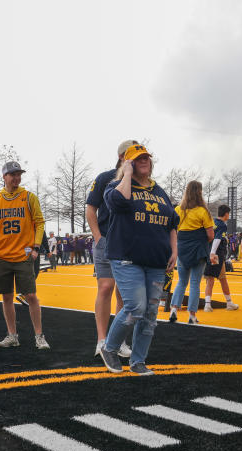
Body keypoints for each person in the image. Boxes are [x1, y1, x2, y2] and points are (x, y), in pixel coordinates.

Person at [98, 143, 177, 375]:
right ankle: (110, 348)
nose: (144, 160)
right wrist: (128, 174)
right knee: (135, 306)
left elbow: (172, 222)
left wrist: (174, 250)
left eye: (146, 158)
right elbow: (119, 202)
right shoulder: (115, 186)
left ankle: (138, 360)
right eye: (138, 158)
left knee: (151, 313)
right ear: (128, 162)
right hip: (126, 257)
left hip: (156, 260)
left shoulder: (159, 190)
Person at [0, 160, 51, 350]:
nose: (16, 177)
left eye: (19, 174)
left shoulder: (29, 197)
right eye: (12, 174)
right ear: (4, 177)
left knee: (31, 295)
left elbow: (39, 222)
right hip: (2, 256)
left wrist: (36, 248)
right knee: (6, 297)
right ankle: (12, 335)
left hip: (23, 255)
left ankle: (39, 336)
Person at [85, 140, 137, 358]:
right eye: (134, 154)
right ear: (123, 156)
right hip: (106, 240)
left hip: (129, 243)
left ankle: (120, 341)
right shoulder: (105, 177)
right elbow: (90, 208)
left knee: (124, 294)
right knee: (105, 288)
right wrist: (98, 237)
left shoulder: (141, 182)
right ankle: (102, 340)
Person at [169, 181, 214, 325]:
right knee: (195, 283)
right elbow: (210, 235)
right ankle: (192, 315)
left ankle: (173, 310)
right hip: (198, 250)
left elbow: (173, 230)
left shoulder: (177, 210)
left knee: (181, 282)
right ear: (199, 192)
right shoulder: (203, 211)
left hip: (182, 248)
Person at [203, 205, 240, 313]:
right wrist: (213, 253)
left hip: (208, 253)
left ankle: (207, 304)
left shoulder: (212, 222)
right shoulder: (222, 225)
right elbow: (218, 239)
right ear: (226, 214)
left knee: (210, 280)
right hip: (216, 255)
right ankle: (229, 303)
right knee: (223, 279)